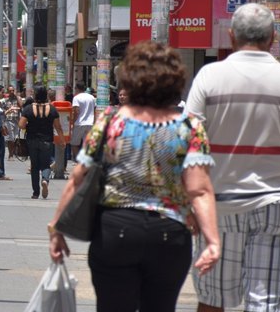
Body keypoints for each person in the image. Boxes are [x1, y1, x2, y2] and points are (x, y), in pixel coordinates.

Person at [48, 41, 220, 312]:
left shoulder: (110, 121)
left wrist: (58, 228)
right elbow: (200, 190)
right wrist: (212, 240)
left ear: (129, 79)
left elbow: (78, 177)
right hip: (169, 234)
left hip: (115, 231)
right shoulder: (190, 127)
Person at [185, 3, 280, 312]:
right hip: (272, 206)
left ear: (232, 37)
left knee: (212, 298)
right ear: (273, 38)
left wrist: (187, 203)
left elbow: (188, 143)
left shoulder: (209, 77)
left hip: (217, 205)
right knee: (267, 302)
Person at [19, 85, 65, 199]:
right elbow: (58, 127)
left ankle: (35, 192)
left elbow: (21, 125)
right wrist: (62, 140)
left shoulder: (28, 108)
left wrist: (30, 125)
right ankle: (45, 180)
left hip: (32, 140)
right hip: (47, 140)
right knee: (45, 164)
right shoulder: (52, 109)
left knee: (34, 166)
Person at [69, 82, 96, 172]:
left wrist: (72, 121)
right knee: (86, 144)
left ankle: (79, 162)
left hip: (79, 123)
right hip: (90, 123)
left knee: (74, 143)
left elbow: (76, 111)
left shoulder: (76, 98)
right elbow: (94, 110)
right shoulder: (92, 97)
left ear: (76, 88)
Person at [2, 86, 22, 160]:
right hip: (9, 120)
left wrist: (16, 98)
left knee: (15, 138)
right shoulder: (5, 100)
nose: (12, 92)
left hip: (16, 120)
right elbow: (3, 111)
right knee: (11, 138)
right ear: (8, 92)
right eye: (10, 91)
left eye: (13, 90)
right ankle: (11, 154)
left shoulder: (18, 99)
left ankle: (13, 152)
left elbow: (21, 106)